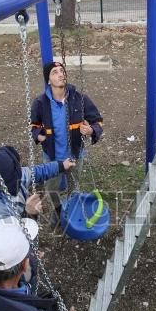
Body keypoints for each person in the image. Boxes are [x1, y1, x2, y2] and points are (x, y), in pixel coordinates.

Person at [0, 145, 74, 255]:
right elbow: (9, 244)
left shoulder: (7, 175)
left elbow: (35, 173)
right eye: (12, 186)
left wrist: (60, 166)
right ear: (2, 184)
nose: (18, 183)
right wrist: (29, 215)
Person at [30, 61, 103, 215]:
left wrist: (91, 129)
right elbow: (34, 125)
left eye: (62, 71)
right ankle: (58, 212)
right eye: (54, 72)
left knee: (73, 185)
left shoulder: (79, 98)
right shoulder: (40, 103)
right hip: (52, 158)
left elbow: (98, 121)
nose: (60, 74)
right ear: (48, 80)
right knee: (52, 188)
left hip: (75, 154)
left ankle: (72, 209)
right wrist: (39, 136)